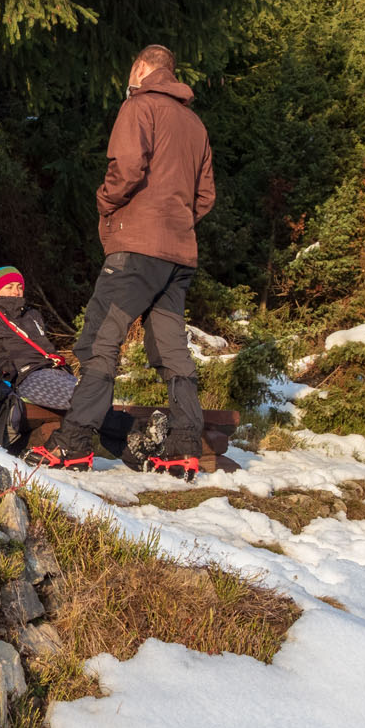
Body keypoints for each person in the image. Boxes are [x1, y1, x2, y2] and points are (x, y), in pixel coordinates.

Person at [42, 44, 216, 476]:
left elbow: (127, 168)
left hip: (136, 248)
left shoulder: (139, 107)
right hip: (178, 254)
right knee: (171, 348)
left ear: (141, 69)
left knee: (99, 340)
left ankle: (75, 443)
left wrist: (106, 202)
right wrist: (175, 222)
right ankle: (182, 446)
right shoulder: (195, 125)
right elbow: (206, 196)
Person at [0, 266, 74, 454]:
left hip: (54, 372)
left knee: (94, 394)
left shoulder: (33, 315)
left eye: (19, 287)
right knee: (87, 398)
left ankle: (132, 443)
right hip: (26, 377)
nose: (16, 291)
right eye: (9, 287)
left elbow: (45, 349)